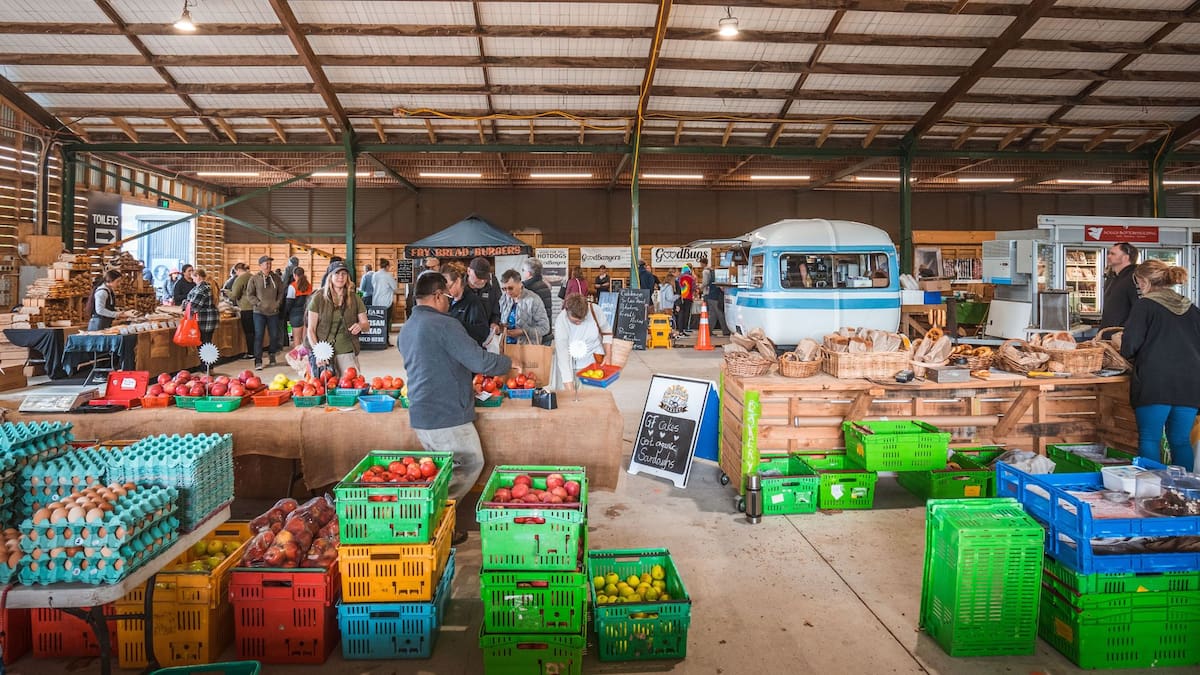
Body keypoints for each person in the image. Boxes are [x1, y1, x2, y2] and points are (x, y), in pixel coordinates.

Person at [397, 272, 512, 545]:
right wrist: (508, 363)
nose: (450, 302)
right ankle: (428, 522)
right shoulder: (444, 324)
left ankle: (437, 526)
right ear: (437, 296)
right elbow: (479, 361)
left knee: (442, 473)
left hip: (421, 411)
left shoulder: (408, 326)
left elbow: (430, 363)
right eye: (447, 297)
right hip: (444, 413)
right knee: (469, 463)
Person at [1119, 260, 1200, 471]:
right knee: (1181, 440)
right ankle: (1186, 496)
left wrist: (1119, 340)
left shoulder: (1144, 306)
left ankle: (1152, 494)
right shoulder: (1191, 308)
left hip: (1155, 381)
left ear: (1144, 282)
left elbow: (1129, 348)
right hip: (1190, 383)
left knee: (1150, 438)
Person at [306, 261, 369, 375]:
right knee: (325, 388)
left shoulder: (354, 298)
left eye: (344, 274)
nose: (340, 277)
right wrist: (318, 353)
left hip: (346, 350)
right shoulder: (318, 298)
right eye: (337, 273)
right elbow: (311, 329)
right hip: (323, 353)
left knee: (351, 387)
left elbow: (366, 325)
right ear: (330, 276)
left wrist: (360, 325)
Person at [554, 293, 612, 388]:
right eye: (575, 321)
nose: (579, 322)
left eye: (582, 319)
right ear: (567, 311)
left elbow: (607, 332)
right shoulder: (561, 322)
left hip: (594, 365)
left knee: (594, 399)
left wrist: (608, 355)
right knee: (570, 398)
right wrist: (570, 388)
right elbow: (563, 358)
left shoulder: (595, 310)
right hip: (571, 367)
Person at [246, 255, 284, 371]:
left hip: (273, 312)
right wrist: (258, 303)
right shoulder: (254, 279)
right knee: (259, 336)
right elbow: (250, 294)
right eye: (266, 263)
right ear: (260, 265)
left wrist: (277, 304)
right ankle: (258, 360)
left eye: (270, 263)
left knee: (274, 335)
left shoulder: (276, 278)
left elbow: (281, 292)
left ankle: (272, 354)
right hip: (259, 312)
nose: (268, 265)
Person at [443, 262, 490, 345]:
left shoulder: (473, 301)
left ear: (457, 281)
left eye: (449, 287)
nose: (447, 292)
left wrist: (456, 325)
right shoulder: (446, 300)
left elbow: (483, 332)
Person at [499, 269, 549, 345]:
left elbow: (544, 328)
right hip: (506, 346)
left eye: (510, 288)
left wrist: (523, 331)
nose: (507, 292)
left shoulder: (533, 300)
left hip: (527, 348)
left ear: (520, 284)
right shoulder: (504, 298)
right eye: (504, 289)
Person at [1100, 242, 1139, 329]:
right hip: (1107, 334)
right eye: (1109, 253)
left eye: (1113, 254)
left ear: (1126, 258)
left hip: (1121, 336)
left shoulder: (1134, 278)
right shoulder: (1113, 278)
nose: (1108, 256)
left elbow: (1139, 309)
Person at [468, 257, 503, 341]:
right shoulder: (459, 287)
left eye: (484, 277)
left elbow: (497, 310)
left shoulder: (492, 286)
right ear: (469, 271)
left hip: (486, 338)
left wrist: (494, 323)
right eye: (479, 276)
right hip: (465, 337)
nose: (483, 281)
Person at [521, 258, 554, 346]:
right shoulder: (545, 285)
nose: (522, 272)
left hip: (534, 336)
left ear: (528, 273)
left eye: (523, 270)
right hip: (546, 333)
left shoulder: (527, 289)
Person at [183, 269, 219, 346]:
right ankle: (210, 358)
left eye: (193, 278)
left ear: (198, 276)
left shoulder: (201, 289)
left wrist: (185, 303)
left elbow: (194, 306)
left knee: (203, 345)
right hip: (210, 318)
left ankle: (209, 358)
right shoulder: (209, 286)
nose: (193, 281)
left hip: (204, 320)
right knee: (207, 343)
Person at [228, 263, 255, 359]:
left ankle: (251, 353)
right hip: (256, 308)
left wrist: (226, 292)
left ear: (238, 270)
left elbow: (234, 295)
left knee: (249, 332)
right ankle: (256, 352)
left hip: (246, 308)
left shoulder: (240, 279)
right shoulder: (253, 276)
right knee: (255, 331)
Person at [284, 267, 313, 350]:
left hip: (295, 314)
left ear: (294, 275)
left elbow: (289, 302)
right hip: (307, 313)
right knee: (305, 340)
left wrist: (286, 313)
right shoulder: (309, 285)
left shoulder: (292, 286)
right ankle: (305, 359)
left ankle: (297, 360)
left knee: (296, 340)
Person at [372, 258, 398, 346]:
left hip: (376, 301)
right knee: (386, 322)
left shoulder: (375, 275)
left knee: (378, 322)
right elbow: (394, 287)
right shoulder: (388, 275)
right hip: (386, 302)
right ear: (387, 266)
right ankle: (385, 341)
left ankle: (378, 341)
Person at [677, 265, 696, 334]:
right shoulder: (691, 278)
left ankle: (680, 329)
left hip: (681, 297)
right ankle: (686, 328)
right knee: (687, 313)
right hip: (689, 297)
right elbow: (693, 288)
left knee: (681, 313)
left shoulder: (679, 278)